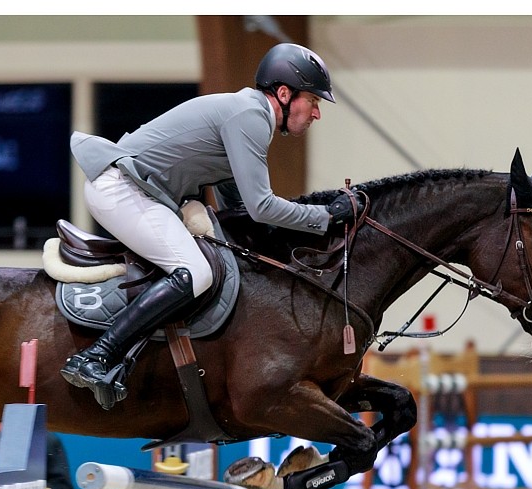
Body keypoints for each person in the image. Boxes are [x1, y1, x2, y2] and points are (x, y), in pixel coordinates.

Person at [61, 42, 357, 410]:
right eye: (313, 102)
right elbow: (262, 206)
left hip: (138, 190)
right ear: (284, 93)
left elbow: (239, 209)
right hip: (121, 188)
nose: (316, 113)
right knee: (195, 272)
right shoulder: (250, 117)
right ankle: (97, 356)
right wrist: (327, 217)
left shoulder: (248, 115)